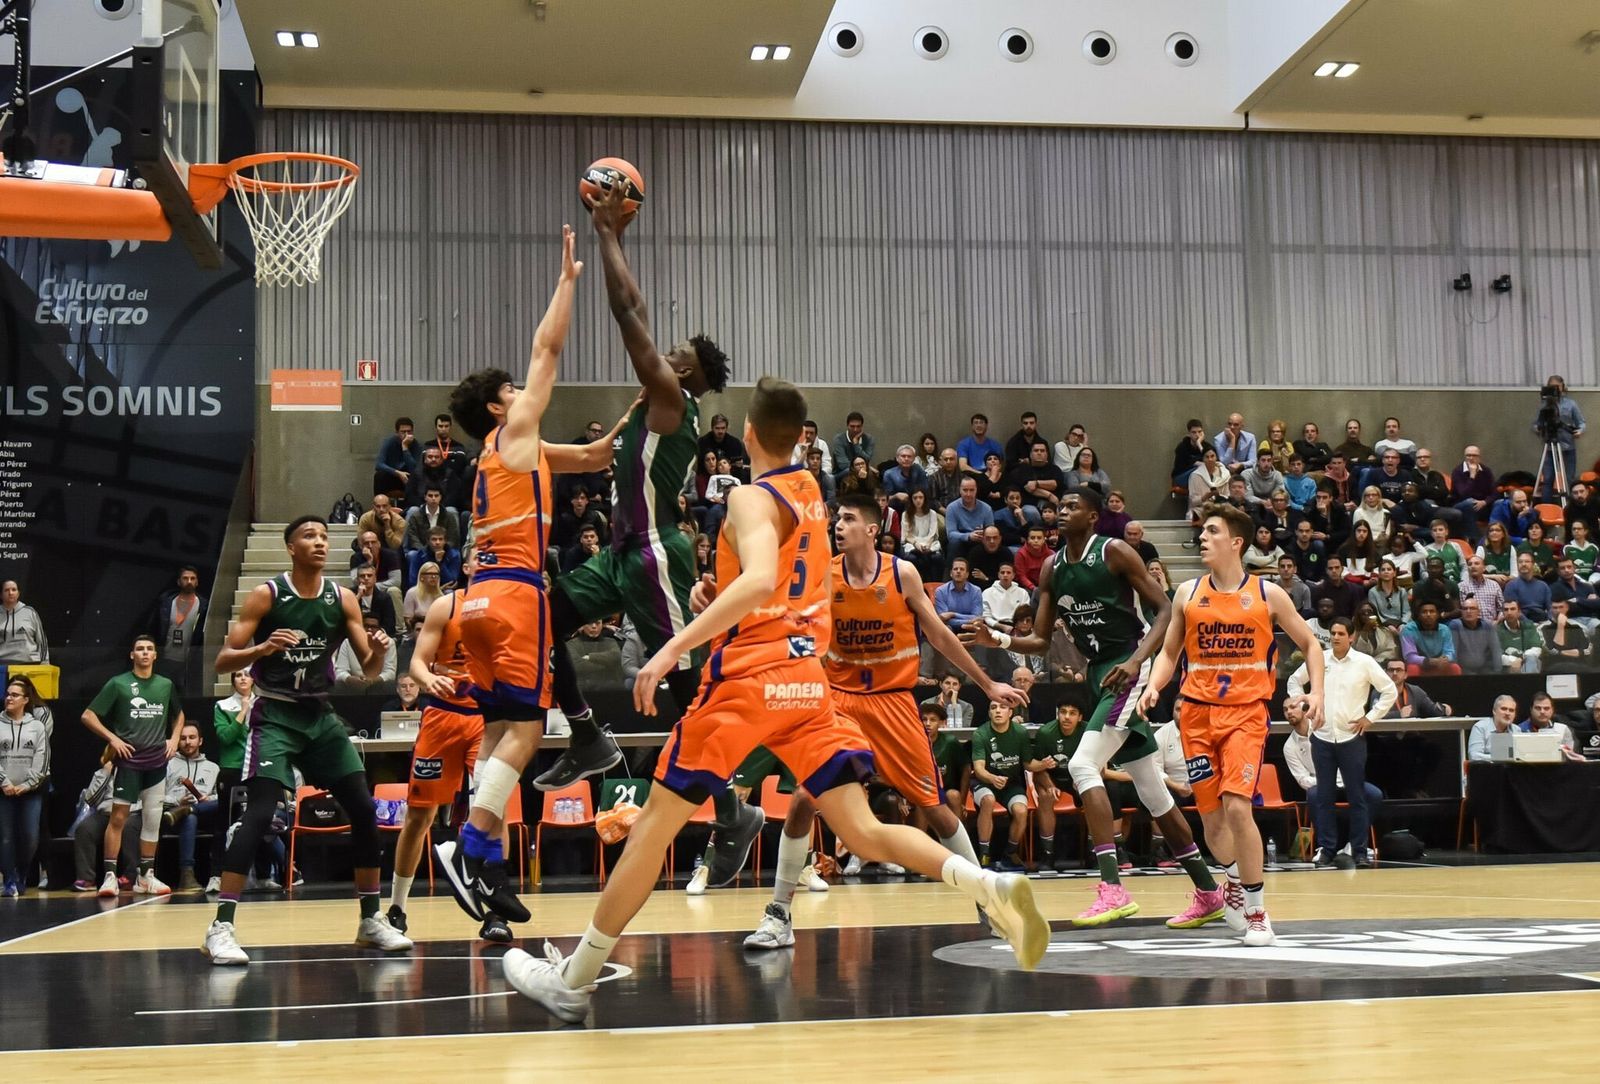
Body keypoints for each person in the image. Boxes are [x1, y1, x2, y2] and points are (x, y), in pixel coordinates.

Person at [503, 376, 1049, 1022]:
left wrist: (672, 647)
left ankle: (577, 976)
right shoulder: (813, 492)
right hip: (807, 683)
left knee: (653, 828)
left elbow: (762, 578)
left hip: (748, 681)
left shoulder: (746, 500)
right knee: (864, 829)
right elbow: (779, 577)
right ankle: (988, 884)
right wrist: (720, 595)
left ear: (750, 435)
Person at [743, 494, 1025, 949]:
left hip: (893, 702)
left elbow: (938, 633)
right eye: (838, 519)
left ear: (872, 530)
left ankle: (985, 898)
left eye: (850, 519)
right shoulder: (822, 573)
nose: (840, 525)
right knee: (802, 800)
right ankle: (778, 914)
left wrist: (989, 685)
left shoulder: (903, 573)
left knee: (934, 806)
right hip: (838, 703)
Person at [970, 487, 1227, 929]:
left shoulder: (1114, 552)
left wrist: (1135, 661)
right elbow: (1043, 640)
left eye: (1073, 507)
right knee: (1152, 791)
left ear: (1092, 518)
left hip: (1130, 664)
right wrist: (1000, 639)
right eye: (1059, 507)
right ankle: (1208, 892)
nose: (1062, 512)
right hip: (1099, 673)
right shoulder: (1052, 567)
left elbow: (1165, 610)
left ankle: (1113, 888)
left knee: (1083, 765)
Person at [200, 515, 410, 965]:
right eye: (308, 536)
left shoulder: (343, 598)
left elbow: (370, 674)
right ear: (291, 548)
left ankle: (370, 919)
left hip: (320, 715)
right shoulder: (267, 595)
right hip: (274, 714)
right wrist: (261, 649)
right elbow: (221, 661)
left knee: (363, 807)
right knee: (258, 814)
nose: (319, 542)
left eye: (323, 536)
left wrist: (378, 648)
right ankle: (221, 927)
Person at [1139, 502, 1325, 947]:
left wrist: (1316, 691)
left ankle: (1258, 910)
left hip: (1245, 714)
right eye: (1202, 531)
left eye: (1211, 531)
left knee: (1239, 809)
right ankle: (1234, 884)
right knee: (1213, 822)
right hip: (1196, 716)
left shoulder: (1266, 595)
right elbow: (1168, 653)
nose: (1202, 538)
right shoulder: (1187, 593)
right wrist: (1153, 685)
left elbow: (1310, 643)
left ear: (1236, 542)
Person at [393, 568, 505, 942]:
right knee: (419, 815)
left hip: (487, 721)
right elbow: (417, 663)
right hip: (443, 715)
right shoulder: (445, 605)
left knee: (492, 809)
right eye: (480, 555)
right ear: (469, 565)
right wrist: (428, 681)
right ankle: (396, 909)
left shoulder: (505, 609)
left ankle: (494, 911)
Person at [77, 634, 185, 899]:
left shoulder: (165, 685)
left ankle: (145, 876)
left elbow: (179, 715)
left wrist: (174, 738)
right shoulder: (119, 684)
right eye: (140, 649)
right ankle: (110, 876)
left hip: (157, 761)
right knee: (118, 818)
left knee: (152, 818)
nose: (145, 653)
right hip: (129, 761)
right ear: (132, 655)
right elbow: (88, 715)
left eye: (150, 649)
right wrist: (113, 738)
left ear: (156, 655)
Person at [1287, 617, 1396, 869]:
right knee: (1323, 796)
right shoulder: (1319, 659)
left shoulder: (1364, 662)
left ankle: (1359, 850)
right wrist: (1305, 705)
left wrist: (1370, 718)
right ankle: (1326, 849)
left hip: (1351, 737)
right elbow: (1294, 680)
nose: (1335, 637)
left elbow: (1389, 690)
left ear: (1351, 637)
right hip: (1322, 736)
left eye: (1340, 633)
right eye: (1332, 633)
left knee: (1357, 796)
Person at [1280, 698, 1384, 867]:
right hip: (1322, 784)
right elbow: (1302, 779)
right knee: (1314, 794)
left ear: (1305, 709)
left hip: (1345, 779)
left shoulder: (1323, 729)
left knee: (1374, 794)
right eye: (1285, 710)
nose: (1289, 712)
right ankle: (1326, 847)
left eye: (1293, 707)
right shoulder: (1289, 746)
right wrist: (1325, 779)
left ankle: (1354, 844)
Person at [156, 722, 219, 892]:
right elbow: (155, 796)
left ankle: (191, 809)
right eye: (183, 738)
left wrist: (209, 798)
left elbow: (219, 796)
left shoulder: (213, 768)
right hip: (173, 815)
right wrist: (177, 802)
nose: (187, 742)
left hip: (206, 814)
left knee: (223, 804)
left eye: (192, 737)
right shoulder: (167, 764)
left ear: (200, 741)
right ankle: (187, 876)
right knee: (189, 817)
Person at [0, 678, 49, 896]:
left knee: (30, 836)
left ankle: (22, 872)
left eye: (14, 695)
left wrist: (28, 784)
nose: (9, 698)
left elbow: (42, 758)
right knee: (6, 836)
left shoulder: (37, 727)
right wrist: (5, 782)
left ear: (25, 700)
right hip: (4, 790)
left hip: (30, 792)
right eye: (8, 694)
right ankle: (9, 879)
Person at [148, 565, 209, 693]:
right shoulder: (166, 602)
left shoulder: (203, 606)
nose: (189, 582)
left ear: (197, 582)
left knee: (185, 694)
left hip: (189, 661)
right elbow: (153, 628)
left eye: (193, 579)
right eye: (185, 578)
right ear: (179, 581)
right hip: (165, 658)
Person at [1534, 374, 1585, 500]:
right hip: (1550, 447)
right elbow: (1536, 424)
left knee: (1569, 479)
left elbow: (1581, 423)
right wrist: (1539, 430)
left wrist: (1579, 431)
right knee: (1548, 479)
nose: (1555, 389)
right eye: (1552, 387)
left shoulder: (1571, 404)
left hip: (1568, 446)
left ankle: (1570, 506)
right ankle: (1546, 507)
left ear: (1563, 387)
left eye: (1557, 386)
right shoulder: (1544, 405)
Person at [1401, 601, 1459, 676]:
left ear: (1438, 614)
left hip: (1440, 665)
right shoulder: (1408, 629)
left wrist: (1446, 659)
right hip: (1421, 665)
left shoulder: (1445, 629)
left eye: (1432, 611)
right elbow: (1410, 657)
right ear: (1418, 615)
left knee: (1455, 668)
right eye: (1424, 612)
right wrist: (1429, 661)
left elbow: (1450, 652)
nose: (1428, 614)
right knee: (1412, 668)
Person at [0, 580, 48, 664]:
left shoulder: (30, 612)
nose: (10, 593)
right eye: (6, 590)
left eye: (14, 590)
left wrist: (45, 662)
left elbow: (41, 640)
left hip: (30, 663)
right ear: (1, 595)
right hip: (2, 665)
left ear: (18, 593)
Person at [403, 485, 462, 554]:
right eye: (430, 496)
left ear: (440, 497)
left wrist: (442, 549)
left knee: (455, 553)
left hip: (444, 551)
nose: (433, 498)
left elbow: (452, 538)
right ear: (425, 497)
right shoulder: (416, 516)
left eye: (436, 496)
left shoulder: (449, 516)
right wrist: (426, 552)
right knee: (412, 554)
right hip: (422, 552)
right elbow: (413, 538)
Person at [1450, 598, 1501, 675]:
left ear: (1478, 611)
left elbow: (1496, 650)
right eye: (1465, 609)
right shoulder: (1455, 625)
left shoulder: (1487, 626)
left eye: (1472, 608)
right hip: (1463, 670)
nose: (1468, 611)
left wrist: (1498, 672)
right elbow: (1453, 653)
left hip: (1485, 669)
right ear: (1461, 611)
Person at [1539, 597, 1590, 673]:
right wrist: (1560, 626)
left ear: (1567, 608)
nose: (1558, 610)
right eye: (1555, 608)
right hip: (1554, 666)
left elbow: (1586, 650)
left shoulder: (1578, 626)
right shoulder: (1542, 628)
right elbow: (1551, 651)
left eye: (1561, 607)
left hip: (1578, 665)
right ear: (1550, 609)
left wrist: (1561, 652)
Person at [373, 416, 418, 498]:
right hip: (392, 476)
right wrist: (397, 473)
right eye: (403, 432)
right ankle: (379, 503)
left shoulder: (416, 445)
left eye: (409, 431)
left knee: (417, 477)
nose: (407, 435)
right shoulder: (389, 442)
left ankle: (410, 507)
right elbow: (379, 464)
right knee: (379, 475)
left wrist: (405, 447)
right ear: (397, 433)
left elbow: (413, 468)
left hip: (408, 478)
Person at [1503, 552, 1552, 622]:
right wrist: (1529, 625)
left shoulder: (1543, 586)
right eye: (1520, 562)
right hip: (1521, 623)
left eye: (1527, 561)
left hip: (1542, 621)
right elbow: (1512, 610)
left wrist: (1549, 621)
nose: (1523, 564)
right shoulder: (1511, 585)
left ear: (1533, 564)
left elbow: (1551, 608)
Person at [1468, 695, 1519, 762]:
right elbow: (1474, 756)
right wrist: (1499, 758)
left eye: (1511, 710)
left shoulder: (1516, 730)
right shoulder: (1480, 727)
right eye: (1503, 709)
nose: (1507, 713)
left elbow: (1521, 756)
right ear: (1494, 711)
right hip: (1486, 770)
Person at [1498, 599, 1543, 673]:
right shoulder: (1496, 630)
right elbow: (1497, 655)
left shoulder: (1529, 626)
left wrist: (1522, 659)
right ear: (1503, 613)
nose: (1509, 613)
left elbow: (1537, 648)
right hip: (1508, 667)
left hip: (1529, 662)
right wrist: (1514, 660)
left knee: (1531, 659)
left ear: (1519, 612)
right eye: (1506, 610)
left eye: (1512, 609)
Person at [403, 562, 444, 639]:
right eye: (430, 573)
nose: (433, 576)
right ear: (421, 577)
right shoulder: (412, 593)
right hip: (416, 634)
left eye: (436, 574)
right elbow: (408, 620)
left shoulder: (441, 597)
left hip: (436, 634)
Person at [831, 411, 875, 480]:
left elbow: (867, 459)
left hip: (862, 471)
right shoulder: (839, 439)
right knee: (848, 471)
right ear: (847, 426)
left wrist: (856, 444)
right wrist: (862, 468)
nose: (855, 430)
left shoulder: (869, 439)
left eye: (858, 426)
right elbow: (843, 464)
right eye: (852, 426)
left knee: (875, 474)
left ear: (862, 426)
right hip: (842, 474)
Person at [1171, 419, 1208, 486]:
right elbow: (1186, 464)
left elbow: (1211, 460)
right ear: (1189, 434)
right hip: (1181, 476)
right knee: (1201, 469)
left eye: (1199, 432)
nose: (1197, 435)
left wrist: (1199, 444)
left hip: (1198, 475)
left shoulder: (1206, 445)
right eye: (1194, 432)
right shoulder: (1182, 447)